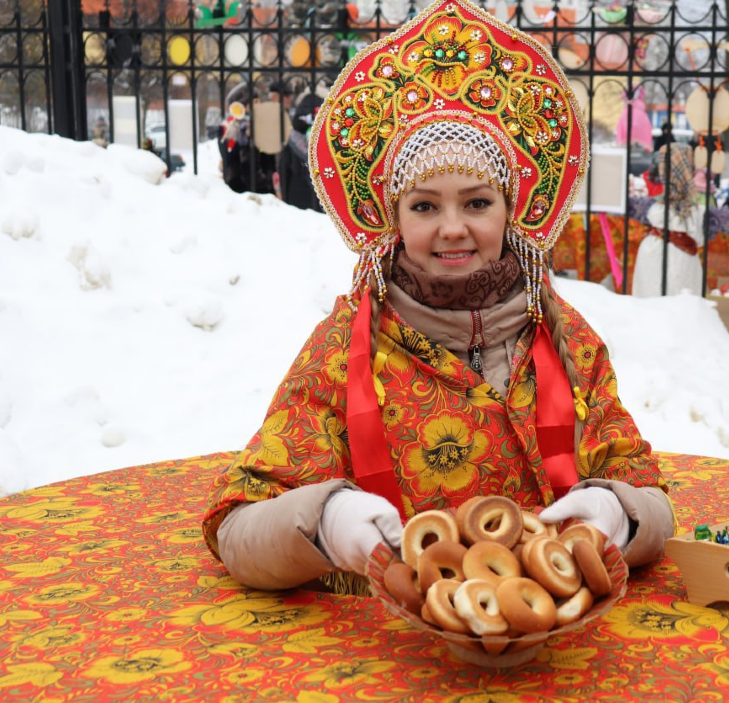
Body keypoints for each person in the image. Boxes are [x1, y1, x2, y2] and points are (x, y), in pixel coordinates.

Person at [201, 0, 676, 594]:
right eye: (425, 206)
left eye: (477, 203)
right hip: (392, 662)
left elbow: (647, 491)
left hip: (554, 647)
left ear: (511, 210)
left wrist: (617, 514)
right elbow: (238, 524)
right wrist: (325, 519)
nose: (453, 228)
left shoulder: (565, 337)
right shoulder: (347, 347)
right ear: (393, 218)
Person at [631, 143, 705, 298]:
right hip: (670, 258)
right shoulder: (691, 208)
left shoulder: (653, 205)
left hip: (659, 254)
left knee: (657, 306)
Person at [218, 84, 276, 195]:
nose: (259, 106)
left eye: (259, 102)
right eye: (255, 102)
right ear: (243, 106)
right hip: (241, 189)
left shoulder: (260, 125)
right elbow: (232, 160)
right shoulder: (230, 128)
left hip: (261, 186)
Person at [277, 92, 324, 212]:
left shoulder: (292, 141)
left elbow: (283, 170)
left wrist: (284, 196)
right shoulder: (325, 143)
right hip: (320, 201)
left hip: (296, 200)